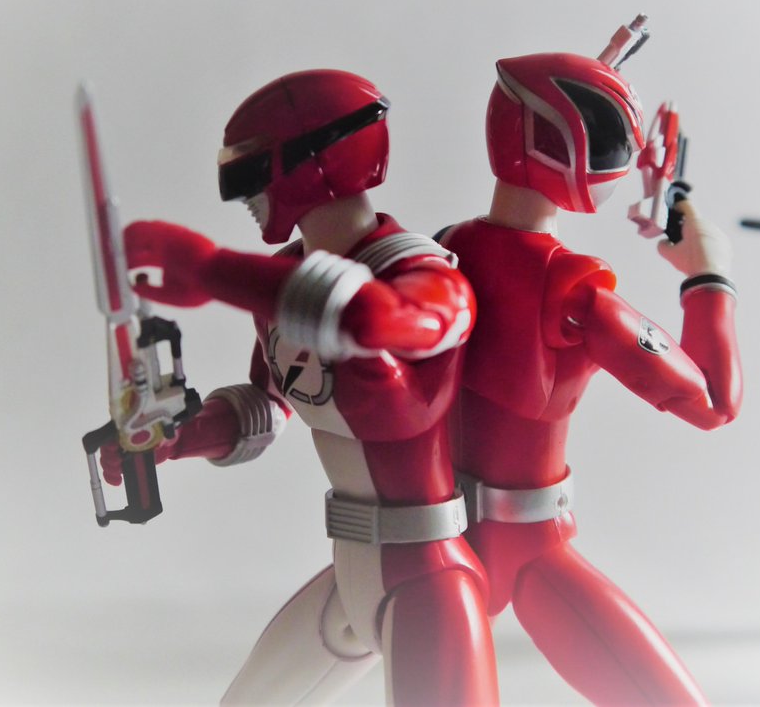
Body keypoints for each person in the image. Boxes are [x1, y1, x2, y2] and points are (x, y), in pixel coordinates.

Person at [104, 69, 498, 706]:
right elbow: (269, 405)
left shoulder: (428, 275)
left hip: (428, 575)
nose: (242, 196)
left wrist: (212, 271)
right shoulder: (283, 283)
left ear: (315, 161)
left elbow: (370, 320)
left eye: (249, 172)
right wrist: (174, 437)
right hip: (351, 571)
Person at [438, 41, 743, 705]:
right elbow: (714, 401)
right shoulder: (574, 291)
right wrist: (707, 274)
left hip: (434, 546)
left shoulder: (445, 250)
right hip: (526, 549)